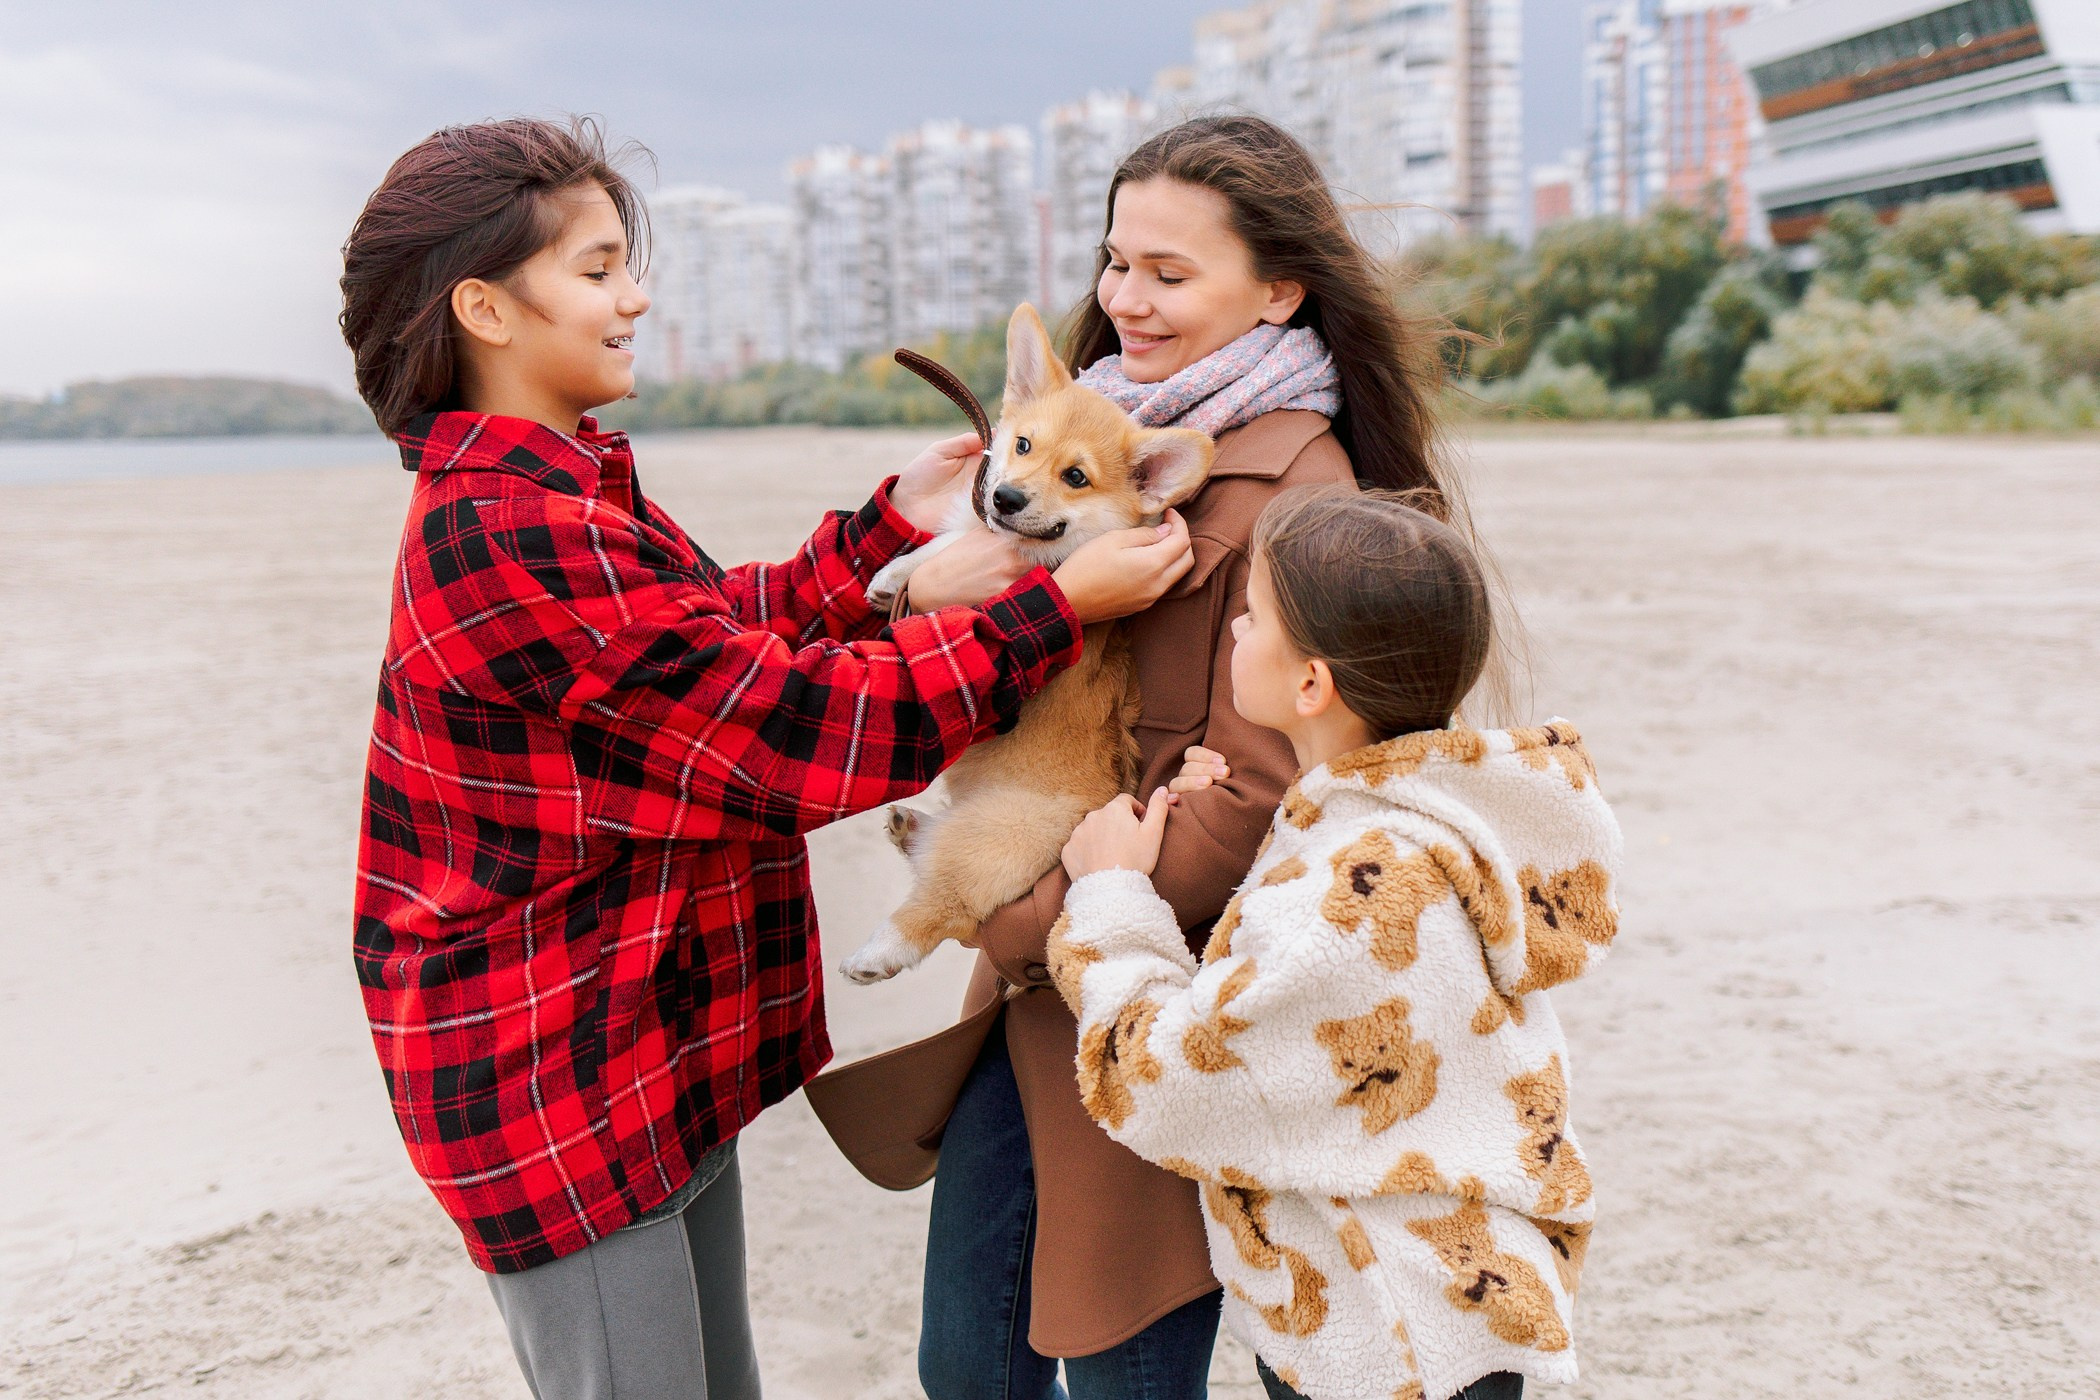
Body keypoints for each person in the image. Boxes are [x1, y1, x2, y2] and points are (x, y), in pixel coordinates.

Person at [338, 116, 1192, 1399]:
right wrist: (1051, 614)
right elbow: (788, 732)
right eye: (598, 268)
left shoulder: (562, 491)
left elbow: (706, 638)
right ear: (485, 309)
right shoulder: (508, 531)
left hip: (645, 1045)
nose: (635, 296)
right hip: (559, 1080)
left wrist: (880, 540)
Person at [807, 115, 1478, 1399]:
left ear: (1278, 289)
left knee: (1118, 1364)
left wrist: (1017, 913)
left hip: (1165, 1002)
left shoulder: (1292, 495)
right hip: (1046, 988)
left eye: (1169, 274)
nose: (1124, 300)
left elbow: (1260, 802)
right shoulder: (1092, 443)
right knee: (969, 1362)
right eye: (1118, 263)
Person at [1050, 488, 1623, 1400]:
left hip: (1392, 1329)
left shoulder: (1348, 894)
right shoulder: (1423, 823)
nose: (1233, 630)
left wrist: (1112, 901)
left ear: (1311, 683)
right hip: (1458, 1296)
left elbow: (1171, 1084)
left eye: (1252, 617)